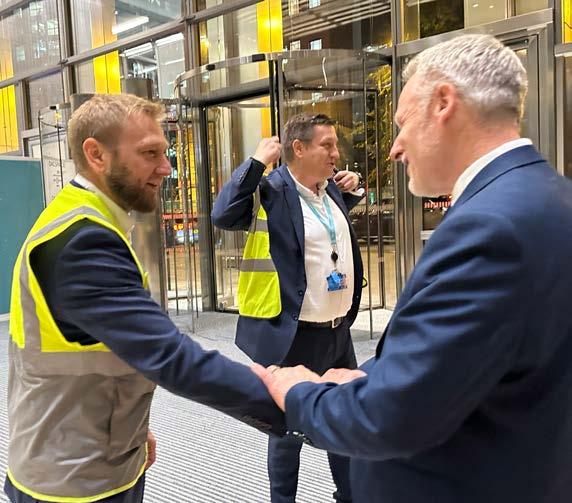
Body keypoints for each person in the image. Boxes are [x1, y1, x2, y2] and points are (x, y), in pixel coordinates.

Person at [252, 34, 572, 503]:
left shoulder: (488, 228)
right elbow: (478, 361)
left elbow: (388, 419)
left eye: (402, 124)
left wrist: (298, 391)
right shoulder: (553, 198)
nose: (395, 149)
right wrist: (373, 375)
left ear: (443, 103)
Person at [4, 93, 285, 503]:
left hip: (94, 454)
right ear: (96, 155)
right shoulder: (82, 241)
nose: (166, 168)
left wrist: (132, 431)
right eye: (150, 153)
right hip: (72, 481)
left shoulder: (86, 217)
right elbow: (169, 356)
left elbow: (103, 345)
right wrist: (294, 402)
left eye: (164, 153)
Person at [211, 113, 364, 503]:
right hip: (295, 334)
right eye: (327, 145)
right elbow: (223, 214)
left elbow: (326, 235)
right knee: (287, 430)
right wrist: (255, 163)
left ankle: (349, 496)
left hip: (337, 332)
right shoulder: (272, 191)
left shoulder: (329, 190)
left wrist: (354, 189)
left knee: (344, 418)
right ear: (299, 148)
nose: (336, 153)